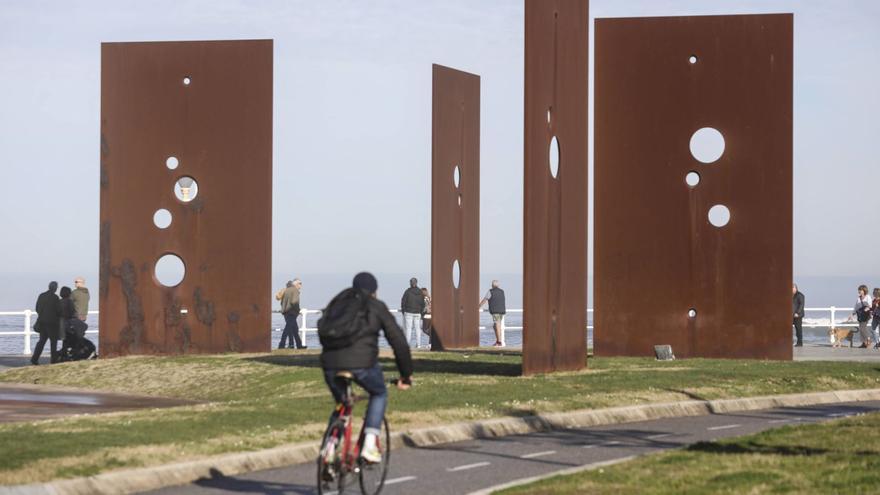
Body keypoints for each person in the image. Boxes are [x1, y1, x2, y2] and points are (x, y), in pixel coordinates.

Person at [319, 272, 413, 463]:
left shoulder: (338, 303)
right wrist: (406, 374)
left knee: (342, 404)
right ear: (374, 291)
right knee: (379, 393)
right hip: (362, 364)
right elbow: (399, 342)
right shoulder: (376, 307)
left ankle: (329, 448)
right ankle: (369, 446)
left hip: (329, 364)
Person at [31, 282, 62, 365]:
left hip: (42, 322)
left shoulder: (41, 295)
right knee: (53, 342)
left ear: (49, 287)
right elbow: (58, 310)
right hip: (52, 323)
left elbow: (37, 308)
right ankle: (53, 360)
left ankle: (34, 358)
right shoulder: (55, 298)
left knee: (41, 341)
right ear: (55, 288)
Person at [279, 279, 306, 349]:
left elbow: (282, 302)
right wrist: (298, 310)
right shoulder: (295, 291)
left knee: (294, 329)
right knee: (287, 329)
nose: (301, 285)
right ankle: (281, 345)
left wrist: (284, 309)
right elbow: (295, 302)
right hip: (291, 313)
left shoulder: (287, 290)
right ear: (296, 284)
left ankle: (299, 345)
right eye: (300, 283)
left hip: (286, 312)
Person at [479, 280, 506, 347]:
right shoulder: (502, 291)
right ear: (498, 285)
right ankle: (497, 341)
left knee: (497, 325)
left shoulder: (490, 291)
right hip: (502, 311)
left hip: (495, 311)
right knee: (495, 326)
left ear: (492, 285)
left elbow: (484, 300)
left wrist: (478, 306)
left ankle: (499, 342)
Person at [400, 277, 426, 348]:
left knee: (409, 329)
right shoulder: (420, 292)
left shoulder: (407, 291)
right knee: (418, 329)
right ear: (416, 283)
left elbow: (403, 301)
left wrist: (403, 311)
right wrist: (421, 313)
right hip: (417, 313)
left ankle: (407, 344)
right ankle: (419, 344)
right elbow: (423, 304)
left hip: (408, 312)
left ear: (410, 283)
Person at [69, 277, 90, 343]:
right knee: (80, 333)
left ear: (81, 283)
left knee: (73, 333)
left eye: (76, 282)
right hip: (84, 316)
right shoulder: (87, 292)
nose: (75, 283)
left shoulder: (75, 292)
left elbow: (69, 301)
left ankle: (75, 348)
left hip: (76, 315)